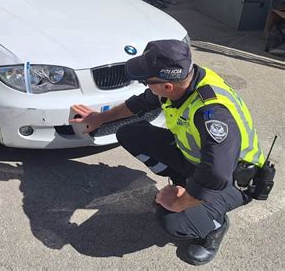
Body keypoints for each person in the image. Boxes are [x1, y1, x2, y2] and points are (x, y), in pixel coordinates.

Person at [71, 39, 265, 265]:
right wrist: (100, 118)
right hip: (198, 161)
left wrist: (182, 203)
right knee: (130, 133)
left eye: (146, 81)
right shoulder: (181, 80)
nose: (145, 85)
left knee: (172, 221)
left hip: (232, 180)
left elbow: (217, 174)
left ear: (167, 86)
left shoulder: (212, 112)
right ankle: (182, 180)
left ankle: (214, 226)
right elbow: (138, 104)